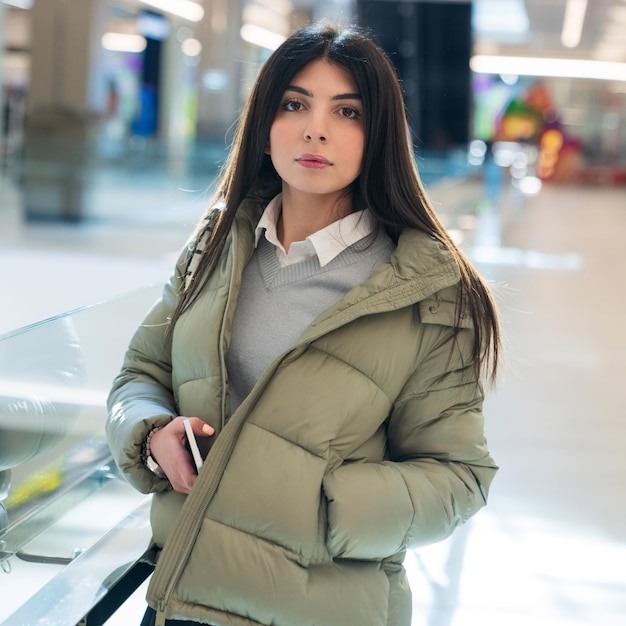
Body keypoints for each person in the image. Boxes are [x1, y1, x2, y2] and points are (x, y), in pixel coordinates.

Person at [106, 21, 501, 626]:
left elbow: (459, 476)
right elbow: (140, 373)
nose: (316, 128)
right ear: (265, 127)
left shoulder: (425, 292)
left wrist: (323, 508)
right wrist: (152, 434)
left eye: (348, 111)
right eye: (295, 104)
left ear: (378, 138)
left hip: (315, 609)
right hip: (182, 597)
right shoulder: (217, 245)